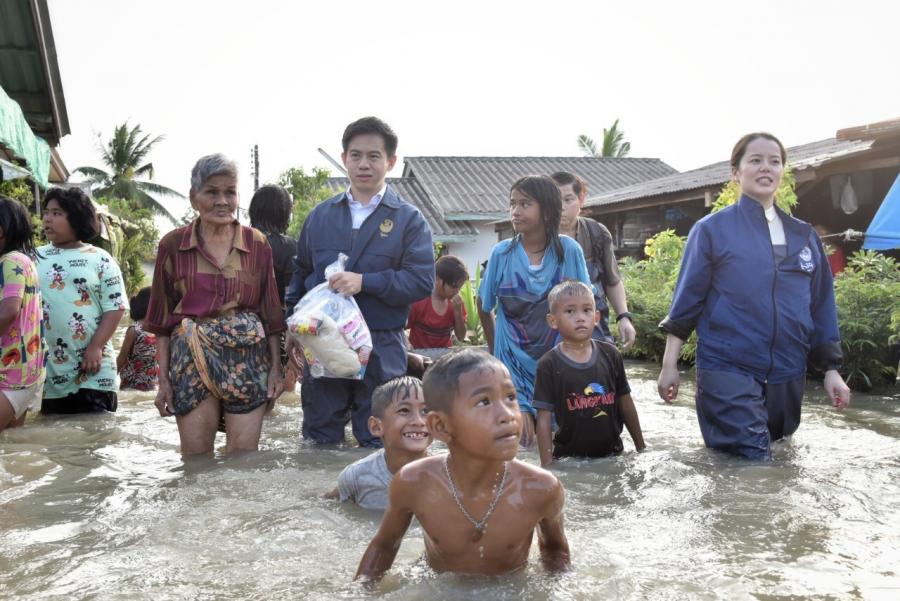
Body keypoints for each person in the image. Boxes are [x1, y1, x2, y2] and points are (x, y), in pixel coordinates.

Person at [657, 133, 851, 460]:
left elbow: (821, 306)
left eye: (774, 161)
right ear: (736, 172)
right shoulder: (712, 230)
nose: (766, 168)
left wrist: (831, 369)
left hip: (788, 370)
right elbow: (686, 301)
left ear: (782, 171)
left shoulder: (804, 235)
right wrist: (668, 365)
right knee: (753, 462)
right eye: (756, 160)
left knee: (778, 451)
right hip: (727, 365)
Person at [355, 348, 570, 580]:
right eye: (484, 402)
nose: (508, 414)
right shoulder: (413, 482)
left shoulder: (541, 488)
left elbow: (555, 551)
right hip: (439, 588)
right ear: (440, 426)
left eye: (510, 397)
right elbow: (384, 546)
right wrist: (359, 592)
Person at [286, 117, 434, 447]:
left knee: (381, 437)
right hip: (322, 340)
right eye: (356, 155)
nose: (363, 164)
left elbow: (421, 281)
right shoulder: (320, 216)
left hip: (382, 342)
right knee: (320, 437)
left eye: (373, 156)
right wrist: (292, 327)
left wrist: (365, 282)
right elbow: (300, 273)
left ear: (390, 162)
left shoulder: (408, 219)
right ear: (344, 158)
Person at [145, 154, 285, 455]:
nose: (222, 201)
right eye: (212, 192)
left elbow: (271, 314)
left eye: (230, 192)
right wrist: (163, 381)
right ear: (194, 197)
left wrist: (276, 370)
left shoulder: (257, 244)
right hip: (190, 359)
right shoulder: (173, 245)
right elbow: (161, 321)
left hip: (248, 359)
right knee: (196, 460)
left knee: (244, 458)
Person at [477, 175, 591, 446]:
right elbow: (484, 306)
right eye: (512, 203)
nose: (515, 211)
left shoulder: (569, 251)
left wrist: (582, 358)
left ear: (548, 210)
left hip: (557, 367)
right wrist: (495, 356)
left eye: (525, 204)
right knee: (522, 444)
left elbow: (586, 306)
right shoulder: (502, 253)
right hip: (512, 368)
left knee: (562, 446)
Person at [534, 281, 645, 467]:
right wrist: (547, 466)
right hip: (571, 460)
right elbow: (543, 418)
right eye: (570, 311)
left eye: (586, 310)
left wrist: (641, 448)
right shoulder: (548, 364)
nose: (580, 318)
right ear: (553, 321)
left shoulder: (611, 355)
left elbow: (625, 402)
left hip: (613, 455)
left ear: (596, 317)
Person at [37, 187, 128, 414]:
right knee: (53, 434)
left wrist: (96, 346)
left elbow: (115, 307)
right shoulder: (33, 257)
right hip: (49, 372)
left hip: (95, 369)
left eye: (56, 213)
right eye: (46, 212)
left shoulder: (100, 259)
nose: (47, 218)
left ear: (76, 218)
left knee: (95, 432)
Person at [551, 171, 636, 349]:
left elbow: (612, 280)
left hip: (593, 327)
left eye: (568, 200)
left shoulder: (596, 233)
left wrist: (624, 317)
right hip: (550, 331)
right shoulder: (537, 236)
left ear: (581, 199)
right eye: (555, 201)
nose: (561, 207)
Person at [327, 376, 430, 510]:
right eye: (404, 410)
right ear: (376, 426)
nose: (419, 421)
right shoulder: (357, 477)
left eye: (425, 411)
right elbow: (329, 503)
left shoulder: (449, 475)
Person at [0, 196, 46, 431]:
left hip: (8, 373)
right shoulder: (24, 261)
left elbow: (9, 311)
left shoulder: (10, 262)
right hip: (25, 371)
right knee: (10, 446)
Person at [249, 184, 298, 387]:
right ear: (284, 213)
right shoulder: (288, 247)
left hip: (242, 329)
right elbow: (291, 297)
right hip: (276, 331)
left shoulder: (239, 241)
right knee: (280, 389)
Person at [406, 254, 468, 349]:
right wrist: (407, 345)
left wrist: (457, 313)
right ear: (438, 279)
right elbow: (399, 328)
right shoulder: (419, 300)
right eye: (453, 287)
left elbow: (461, 336)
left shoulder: (456, 304)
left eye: (459, 288)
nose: (457, 291)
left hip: (444, 355)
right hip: (419, 355)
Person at [116, 287, 159, 391]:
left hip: (146, 384)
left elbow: (121, 358)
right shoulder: (134, 330)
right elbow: (122, 357)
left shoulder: (158, 330)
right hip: (136, 384)